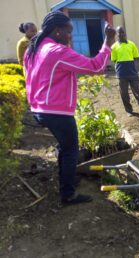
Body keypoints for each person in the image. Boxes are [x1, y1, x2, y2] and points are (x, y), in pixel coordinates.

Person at [24, 11, 116, 205]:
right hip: (56, 111)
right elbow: (95, 67)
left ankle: (65, 179)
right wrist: (107, 42)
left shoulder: (33, 48)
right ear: (57, 31)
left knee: (64, 147)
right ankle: (68, 194)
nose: (71, 36)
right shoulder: (57, 51)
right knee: (70, 150)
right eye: (69, 31)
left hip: (39, 108)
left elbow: (29, 78)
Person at [111, 26, 139, 117]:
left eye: (122, 32)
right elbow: (114, 59)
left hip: (132, 72)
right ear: (117, 35)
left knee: (138, 91)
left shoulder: (131, 44)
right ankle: (129, 110)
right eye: (119, 33)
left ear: (125, 33)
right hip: (121, 73)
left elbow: (135, 57)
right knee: (124, 93)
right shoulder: (114, 47)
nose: (121, 34)